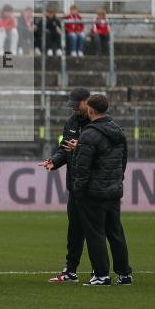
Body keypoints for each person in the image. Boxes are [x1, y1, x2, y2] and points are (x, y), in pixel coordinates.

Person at [71, 94, 133, 286]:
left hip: (94, 193)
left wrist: (78, 190)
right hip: (113, 191)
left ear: (90, 110)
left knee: (95, 233)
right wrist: (117, 180)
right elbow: (123, 161)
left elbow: (83, 167)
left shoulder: (89, 134)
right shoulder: (118, 131)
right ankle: (124, 274)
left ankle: (101, 275)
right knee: (115, 233)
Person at [40, 88, 91, 283]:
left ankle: (99, 271)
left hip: (93, 187)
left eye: (77, 105)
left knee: (96, 231)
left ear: (87, 102)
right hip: (75, 186)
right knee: (75, 230)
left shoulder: (98, 123)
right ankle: (71, 270)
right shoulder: (71, 122)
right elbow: (64, 150)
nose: (74, 109)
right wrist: (54, 160)